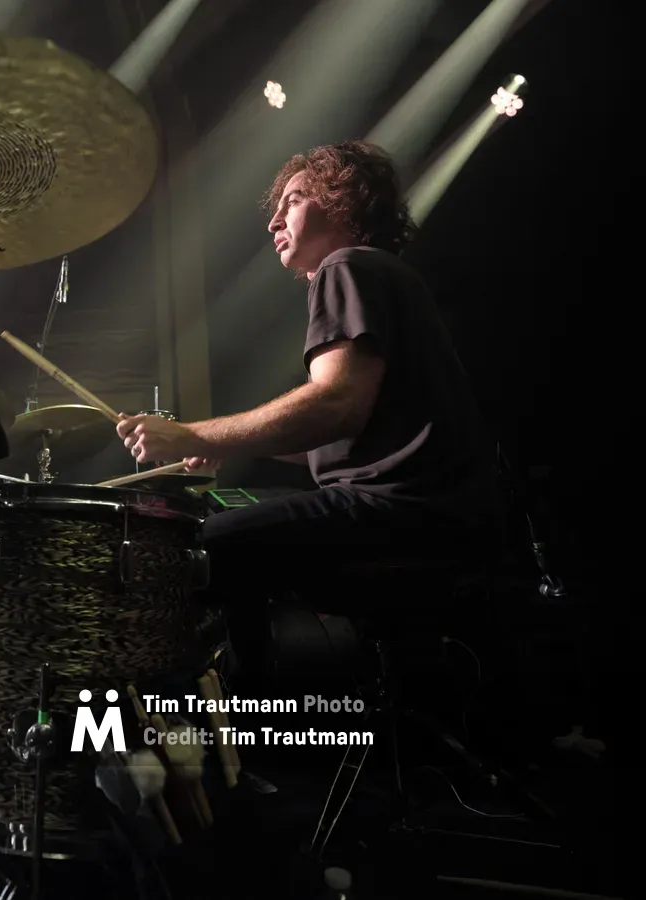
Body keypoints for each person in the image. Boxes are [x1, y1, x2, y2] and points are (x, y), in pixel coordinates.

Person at [115, 140, 503, 647]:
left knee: (186, 552)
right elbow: (347, 430)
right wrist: (221, 441)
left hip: (398, 511)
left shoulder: (347, 266)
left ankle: (240, 696)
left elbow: (335, 406)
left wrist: (191, 434)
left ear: (343, 201)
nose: (274, 221)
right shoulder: (380, 274)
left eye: (294, 200)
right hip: (442, 514)